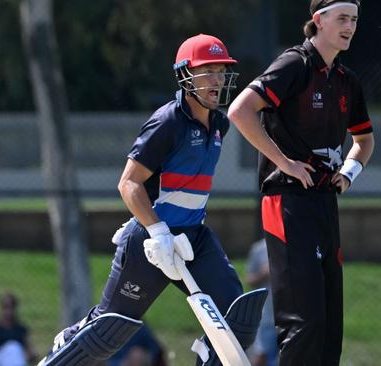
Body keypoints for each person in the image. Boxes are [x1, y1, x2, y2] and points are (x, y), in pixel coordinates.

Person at [38, 34, 267, 366]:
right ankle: (64, 345)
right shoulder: (167, 121)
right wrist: (157, 232)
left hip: (194, 239)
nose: (217, 80)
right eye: (208, 71)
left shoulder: (219, 123)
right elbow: (129, 183)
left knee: (236, 323)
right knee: (109, 332)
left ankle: (207, 355)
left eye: (221, 71)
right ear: (185, 75)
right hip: (150, 242)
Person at [227, 0, 374, 363]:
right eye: (342, 18)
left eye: (354, 20)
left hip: (324, 201)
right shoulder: (295, 64)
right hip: (287, 201)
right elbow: (240, 111)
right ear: (318, 21)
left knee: (328, 325)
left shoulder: (345, 81)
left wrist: (348, 175)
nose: (350, 26)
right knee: (302, 321)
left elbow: (364, 140)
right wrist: (285, 163)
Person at [245, 239, 277, 366]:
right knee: (261, 356)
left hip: (292, 315)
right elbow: (249, 279)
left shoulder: (296, 246)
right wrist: (264, 273)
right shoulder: (259, 248)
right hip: (266, 316)